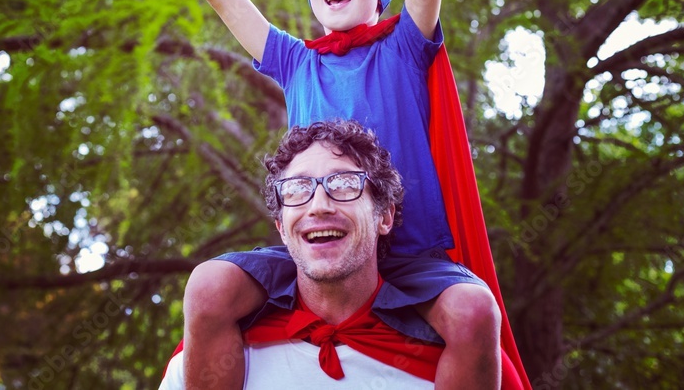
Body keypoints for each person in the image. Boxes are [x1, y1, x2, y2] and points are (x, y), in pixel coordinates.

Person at [108, 0, 528, 389]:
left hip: (407, 255)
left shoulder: (406, 44)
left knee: (473, 311)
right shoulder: (294, 61)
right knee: (212, 287)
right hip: (315, 244)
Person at [159, 120, 484, 389]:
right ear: (282, 229)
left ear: (384, 216)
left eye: (344, 183)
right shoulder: (213, 356)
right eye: (298, 189)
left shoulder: (450, 363)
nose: (319, 205)